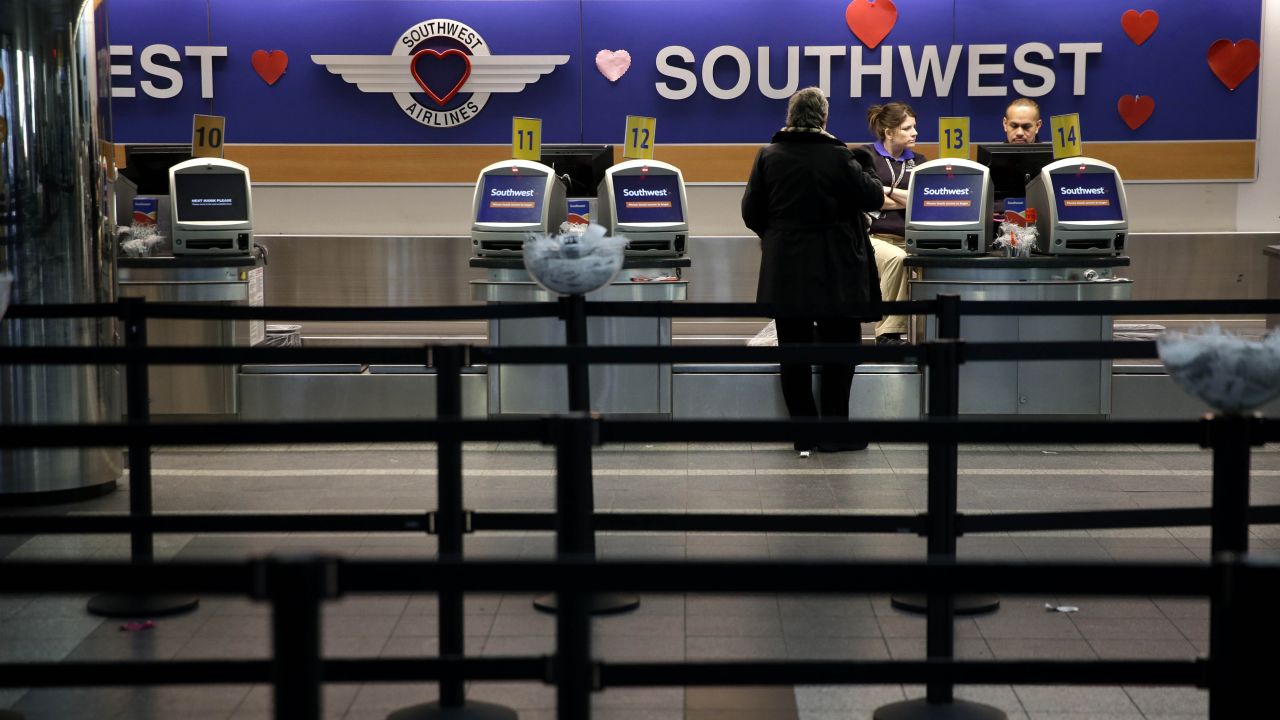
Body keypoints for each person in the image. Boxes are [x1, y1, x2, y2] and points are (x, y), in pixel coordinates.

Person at [742, 87, 884, 455]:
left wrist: (778, 238)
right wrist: (865, 164)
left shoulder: (768, 156)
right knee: (841, 350)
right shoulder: (838, 156)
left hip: (786, 269)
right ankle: (836, 433)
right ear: (824, 117)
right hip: (837, 270)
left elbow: (751, 212)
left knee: (794, 353)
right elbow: (873, 197)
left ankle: (804, 434)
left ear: (790, 117)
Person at [860, 102, 921, 346]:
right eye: (907, 128)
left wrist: (884, 189)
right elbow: (866, 198)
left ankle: (927, 331)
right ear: (889, 132)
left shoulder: (920, 160)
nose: (915, 132)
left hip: (910, 239)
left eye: (914, 127)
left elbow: (921, 199)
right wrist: (904, 197)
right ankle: (888, 334)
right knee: (898, 259)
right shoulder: (866, 156)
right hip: (872, 238)